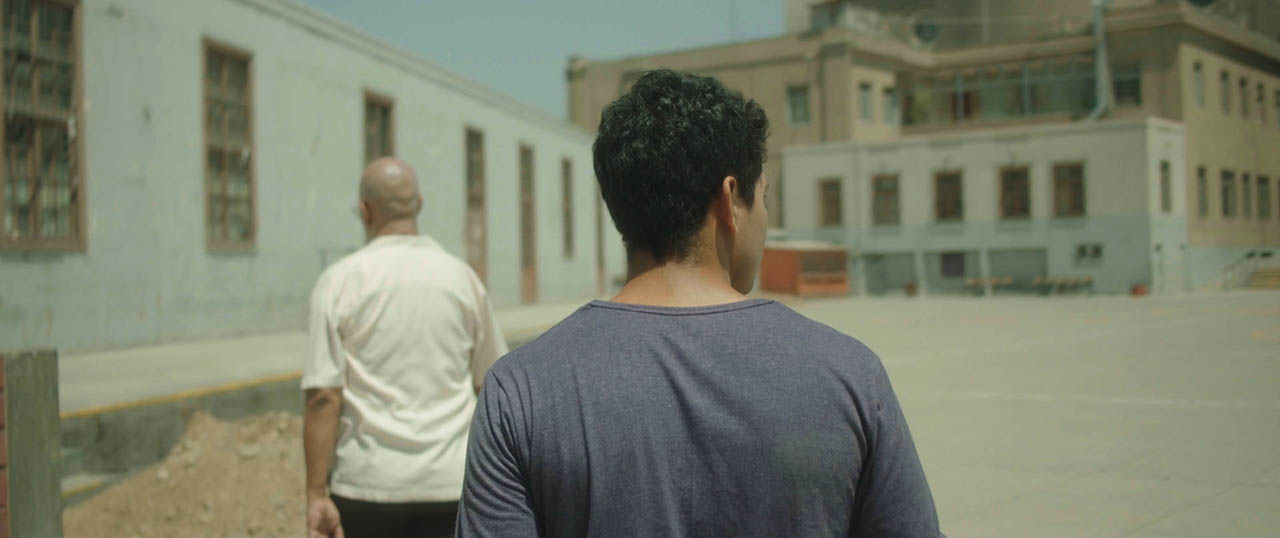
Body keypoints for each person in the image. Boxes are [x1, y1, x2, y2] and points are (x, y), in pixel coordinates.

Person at [456, 70, 942, 537]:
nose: (765, 216)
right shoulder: (849, 374)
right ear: (730, 199)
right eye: (764, 197)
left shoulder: (520, 391)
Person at [303, 158, 508, 538]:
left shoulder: (338, 282)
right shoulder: (462, 280)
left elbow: (323, 397)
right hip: (451, 483)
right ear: (420, 204)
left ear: (365, 211)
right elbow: (493, 386)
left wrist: (316, 493)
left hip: (366, 486)